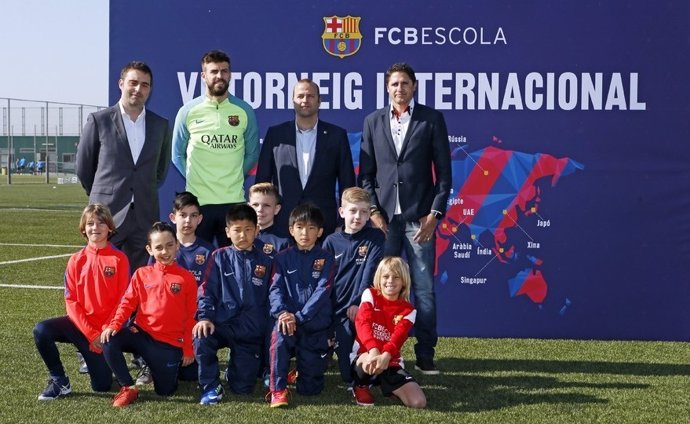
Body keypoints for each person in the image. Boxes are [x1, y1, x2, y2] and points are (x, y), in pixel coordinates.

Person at [359, 62, 452, 374]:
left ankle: (425, 356)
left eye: (405, 84)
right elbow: (366, 175)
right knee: (381, 290)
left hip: (419, 220)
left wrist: (434, 215)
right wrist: (373, 211)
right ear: (387, 87)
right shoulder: (372, 121)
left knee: (423, 290)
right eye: (394, 84)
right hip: (384, 222)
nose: (400, 89)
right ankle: (381, 351)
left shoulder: (431, 120)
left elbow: (444, 175)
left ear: (414, 87)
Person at [76, 61, 172, 271]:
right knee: (101, 277)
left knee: (140, 278)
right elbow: (84, 168)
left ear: (150, 89)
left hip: (144, 215)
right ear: (121, 84)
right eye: (133, 83)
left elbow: (160, 169)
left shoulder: (160, 125)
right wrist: (104, 195)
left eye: (145, 85)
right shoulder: (98, 120)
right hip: (107, 214)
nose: (138, 89)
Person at [33, 204, 129, 400]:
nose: (95, 228)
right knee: (41, 330)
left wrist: (103, 333)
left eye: (101, 223)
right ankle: (59, 380)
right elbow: (71, 300)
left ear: (109, 227)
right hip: (81, 327)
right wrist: (90, 334)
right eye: (90, 223)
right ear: (83, 229)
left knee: (101, 386)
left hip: (106, 331)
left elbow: (123, 300)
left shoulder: (119, 259)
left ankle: (102, 360)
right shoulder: (76, 260)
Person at [100, 222, 197, 407]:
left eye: (169, 245)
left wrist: (187, 349)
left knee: (165, 391)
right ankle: (128, 387)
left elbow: (190, 316)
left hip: (168, 343)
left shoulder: (186, 278)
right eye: (158, 247)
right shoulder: (141, 274)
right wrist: (114, 324)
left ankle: (159, 367)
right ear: (149, 249)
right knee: (108, 338)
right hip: (141, 334)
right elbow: (127, 303)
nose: (165, 251)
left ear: (177, 244)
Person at [172, 49, 260, 247]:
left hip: (233, 201)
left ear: (230, 74)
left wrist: (236, 175)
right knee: (197, 265)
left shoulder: (244, 110)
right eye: (213, 71)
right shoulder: (188, 111)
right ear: (204, 76)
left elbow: (253, 153)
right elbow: (177, 154)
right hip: (198, 203)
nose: (219, 76)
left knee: (232, 264)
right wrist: (195, 176)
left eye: (224, 71)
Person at [193, 204, 273, 404]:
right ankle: (211, 386)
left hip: (250, 329)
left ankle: (234, 372)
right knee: (201, 335)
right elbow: (206, 290)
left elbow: (273, 295)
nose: (243, 235)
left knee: (243, 388)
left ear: (256, 230)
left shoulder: (267, 261)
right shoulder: (218, 257)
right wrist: (205, 317)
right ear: (228, 232)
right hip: (222, 324)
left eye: (248, 229)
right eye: (237, 230)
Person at [255, 79, 356, 238]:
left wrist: (343, 222)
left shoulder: (336, 135)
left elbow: (347, 182)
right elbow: (262, 180)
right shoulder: (276, 134)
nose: (305, 100)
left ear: (319, 101)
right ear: (293, 101)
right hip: (282, 222)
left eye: (310, 96)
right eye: (300, 96)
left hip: (323, 223)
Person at [137, 191, 214, 386]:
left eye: (193, 215)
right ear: (173, 217)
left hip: (191, 317)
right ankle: (148, 364)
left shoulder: (208, 251)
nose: (188, 220)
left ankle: (185, 357)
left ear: (200, 219)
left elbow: (210, 288)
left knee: (190, 374)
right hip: (162, 317)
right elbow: (146, 285)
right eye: (183, 215)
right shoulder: (161, 247)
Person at [267, 204, 335, 408]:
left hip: (314, 324)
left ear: (320, 232)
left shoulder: (326, 258)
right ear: (291, 230)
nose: (305, 233)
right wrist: (282, 313)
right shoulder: (281, 258)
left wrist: (300, 316)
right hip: (288, 322)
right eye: (300, 227)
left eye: (311, 228)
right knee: (278, 338)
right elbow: (275, 289)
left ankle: (301, 372)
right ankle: (277, 390)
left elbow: (323, 291)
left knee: (311, 390)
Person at [322, 187, 384, 388]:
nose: (358, 216)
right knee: (344, 374)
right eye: (353, 211)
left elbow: (370, 273)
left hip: (361, 308)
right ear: (341, 212)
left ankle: (371, 366)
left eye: (364, 212)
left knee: (353, 376)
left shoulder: (375, 238)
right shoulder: (331, 242)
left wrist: (358, 302)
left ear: (369, 214)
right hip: (335, 309)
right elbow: (324, 281)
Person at [350, 257, 426, 409]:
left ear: (404, 281)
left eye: (396, 277)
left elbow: (399, 337)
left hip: (390, 360)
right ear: (379, 278)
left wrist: (386, 355)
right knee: (369, 362)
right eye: (386, 276)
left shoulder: (409, 310)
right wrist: (374, 350)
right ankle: (361, 385)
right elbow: (362, 322)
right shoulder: (370, 295)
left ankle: (387, 385)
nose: (390, 281)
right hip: (366, 356)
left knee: (418, 402)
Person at [248, 182, 290, 258]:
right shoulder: (239, 236)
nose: (260, 209)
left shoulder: (284, 241)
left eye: (266, 205)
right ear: (248, 207)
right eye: (255, 205)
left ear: (276, 209)